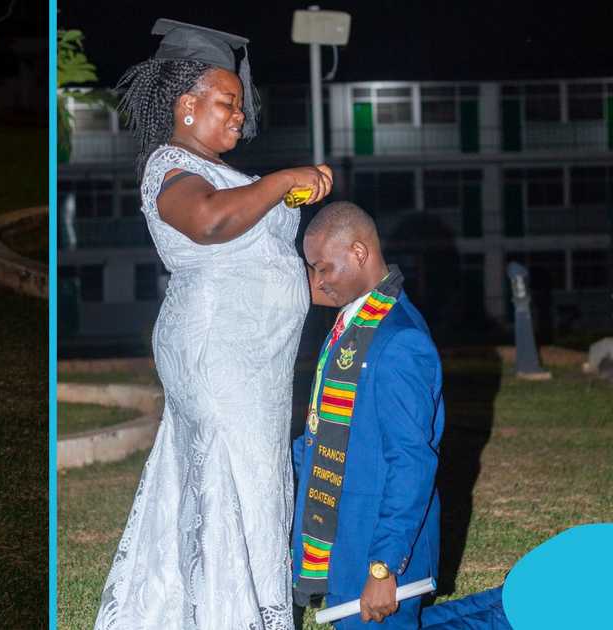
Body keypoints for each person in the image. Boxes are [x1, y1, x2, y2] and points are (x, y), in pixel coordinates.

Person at [94, 18, 334, 630]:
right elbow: (205, 223)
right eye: (227, 103)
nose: (238, 116)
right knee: (235, 481)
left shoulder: (224, 174)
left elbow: (255, 254)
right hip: (217, 353)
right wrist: (282, 182)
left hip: (253, 361)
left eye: (239, 105)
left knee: (246, 478)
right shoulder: (170, 169)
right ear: (187, 104)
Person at [292, 201, 444, 629]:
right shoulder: (354, 326)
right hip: (345, 540)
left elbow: (412, 461)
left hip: (375, 553)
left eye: (323, 268)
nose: (317, 282)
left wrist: (384, 567)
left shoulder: (398, 342)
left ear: (359, 254)